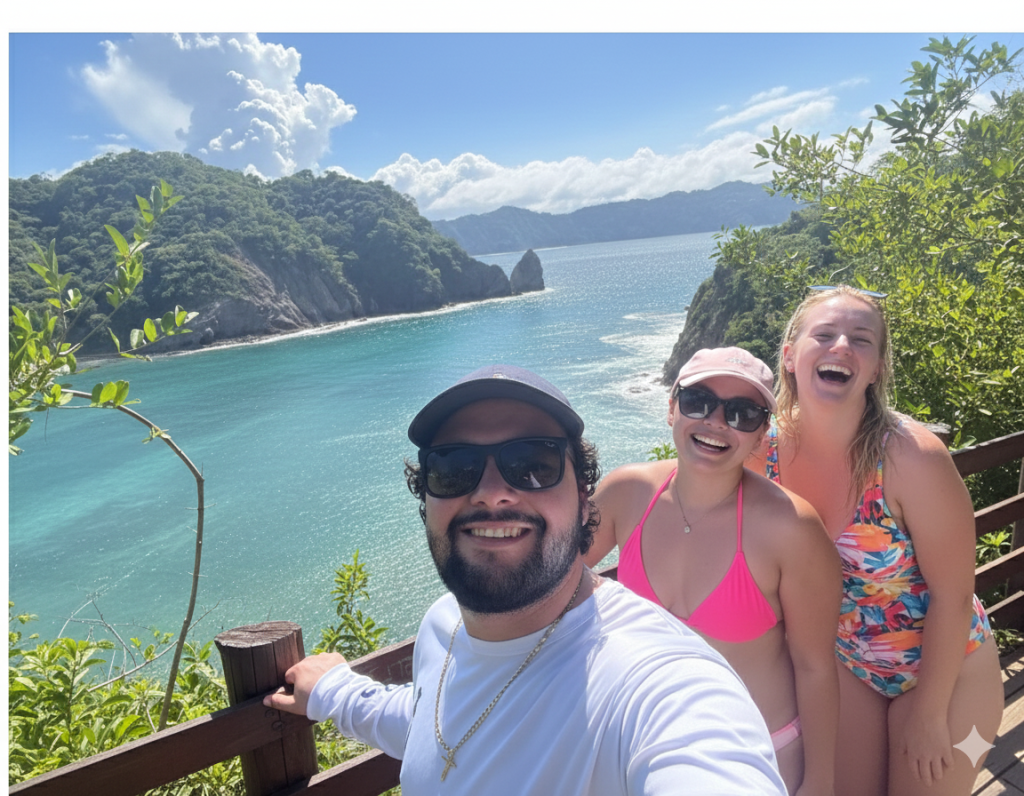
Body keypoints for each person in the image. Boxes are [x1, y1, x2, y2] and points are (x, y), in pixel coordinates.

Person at [265, 364, 787, 795]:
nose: (493, 493)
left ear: (585, 503)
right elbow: (440, 722)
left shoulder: (661, 685)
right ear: (427, 499)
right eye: (454, 467)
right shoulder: (443, 626)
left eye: (532, 464)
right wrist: (337, 694)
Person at [753, 285, 1004, 796]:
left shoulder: (912, 458)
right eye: (824, 334)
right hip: (850, 666)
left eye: (861, 340)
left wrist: (930, 715)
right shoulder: (763, 454)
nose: (842, 346)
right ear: (790, 356)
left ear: (876, 369)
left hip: (949, 669)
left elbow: (954, 596)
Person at [584, 347, 842, 796]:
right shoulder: (627, 494)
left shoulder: (791, 528)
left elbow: (815, 665)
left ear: (763, 436)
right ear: (671, 408)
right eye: (698, 400)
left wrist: (820, 780)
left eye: (743, 413)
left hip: (759, 755)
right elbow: (548, 577)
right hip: (641, 743)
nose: (717, 421)